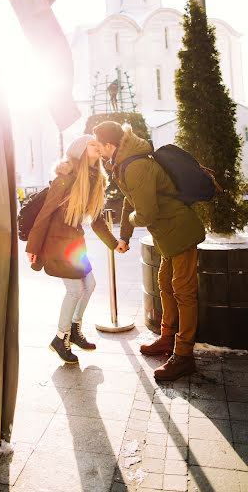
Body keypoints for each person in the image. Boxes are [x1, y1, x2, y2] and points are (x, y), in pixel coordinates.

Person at [93, 121, 205, 381]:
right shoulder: (124, 163)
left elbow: (144, 213)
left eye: (99, 146)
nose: (98, 151)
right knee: (165, 284)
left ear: (110, 145)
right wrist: (124, 236)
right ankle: (167, 339)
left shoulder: (135, 165)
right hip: (167, 235)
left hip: (180, 231)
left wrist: (132, 221)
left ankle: (184, 355)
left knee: (184, 292)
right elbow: (129, 201)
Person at [26, 134, 120, 364]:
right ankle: (60, 338)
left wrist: (114, 243)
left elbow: (97, 218)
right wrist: (33, 248)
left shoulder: (94, 177)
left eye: (99, 144)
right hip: (56, 243)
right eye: (93, 144)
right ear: (80, 149)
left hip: (74, 243)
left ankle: (75, 330)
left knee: (90, 285)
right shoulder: (66, 178)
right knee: (75, 290)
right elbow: (45, 213)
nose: (98, 147)